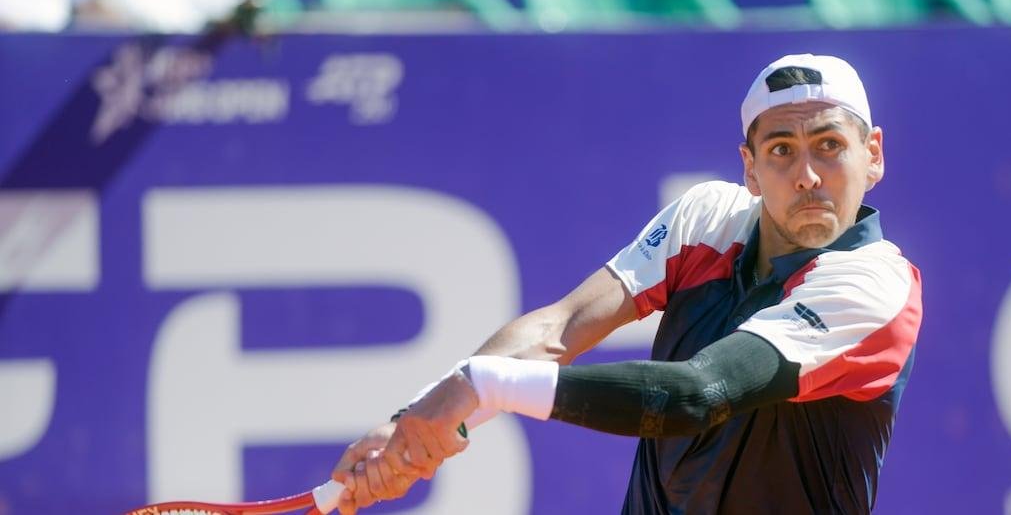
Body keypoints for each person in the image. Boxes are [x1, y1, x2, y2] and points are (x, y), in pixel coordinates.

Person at [331, 54, 923, 515]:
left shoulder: (875, 286)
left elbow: (699, 393)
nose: (807, 175)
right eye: (781, 151)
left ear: (872, 155)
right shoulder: (705, 219)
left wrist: (481, 387)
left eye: (829, 146)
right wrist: (407, 425)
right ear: (749, 167)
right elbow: (557, 329)